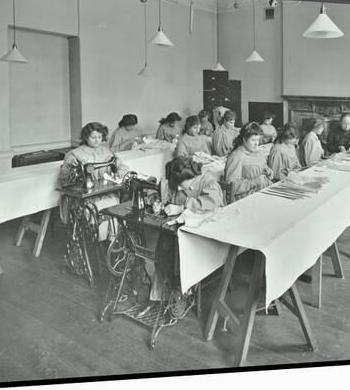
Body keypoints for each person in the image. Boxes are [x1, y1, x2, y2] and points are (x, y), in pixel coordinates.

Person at [147, 157, 225, 305]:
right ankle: (165, 291)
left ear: (192, 177)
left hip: (205, 229)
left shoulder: (208, 181)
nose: (179, 189)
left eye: (182, 186)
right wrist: (157, 202)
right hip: (181, 226)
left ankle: (183, 288)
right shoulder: (178, 181)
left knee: (179, 249)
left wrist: (182, 208)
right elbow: (166, 193)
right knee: (164, 245)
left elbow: (213, 205)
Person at [59, 122, 129, 242]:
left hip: (101, 192)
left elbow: (122, 167)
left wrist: (118, 169)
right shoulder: (75, 153)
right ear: (86, 137)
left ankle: (111, 238)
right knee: (94, 207)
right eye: (93, 137)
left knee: (115, 202)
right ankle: (97, 239)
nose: (97, 140)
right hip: (83, 196)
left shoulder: (106, 151)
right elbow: (65, 178)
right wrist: (70, 166)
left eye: (100, 137)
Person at [224, 122, 273, 200]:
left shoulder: (259, 154)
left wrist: (269, 172)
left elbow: (265, 171)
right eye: (253, 140)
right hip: (246, 198)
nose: (256, 144)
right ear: (244, 139)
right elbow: (231, 187)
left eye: (258, 140)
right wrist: (253, 182)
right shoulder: (236, 156)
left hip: (262, 192)